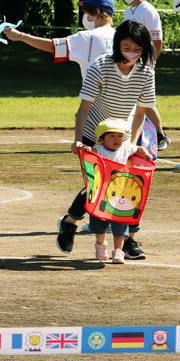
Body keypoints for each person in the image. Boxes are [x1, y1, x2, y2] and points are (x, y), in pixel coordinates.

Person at [56, 20, 157, 259]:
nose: (132, 54)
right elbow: (83, 109)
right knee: (97, 185)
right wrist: (78, 140)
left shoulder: (146, 72)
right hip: (95, 133)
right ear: (116, 44)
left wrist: (132, 144)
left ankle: (128, 242)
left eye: (138, 50)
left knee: (126, 185)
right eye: (127, 47)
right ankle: (70, 222)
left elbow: (141, 112)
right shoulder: (100, 66)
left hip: (124, 136)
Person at [72, 119, 154, 265]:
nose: (117, 139)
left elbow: (138, 149)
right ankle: (101, 245)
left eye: (120, 136)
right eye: (112, 136)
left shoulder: (126, 148)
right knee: (99, 221)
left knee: (120, 222)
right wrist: (86, 149)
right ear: (101, 139)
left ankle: (118, 251)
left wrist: (146, 153)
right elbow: (92, 152)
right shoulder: (100, 150)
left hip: (121, 192)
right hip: (102, 192)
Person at [3, 0, 115, 80]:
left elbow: (54, 47)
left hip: (95, 103)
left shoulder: (87, 37)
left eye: (86, 12)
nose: (85, 16)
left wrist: (22, 36)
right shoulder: (119, 36)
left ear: (97, 12)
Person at [121, 0, 170, 150]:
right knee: (132, 100)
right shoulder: (128, 11)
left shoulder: (149, 10)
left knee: (147, 102)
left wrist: (151, 61)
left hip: (145, 62)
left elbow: (157, 41)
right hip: (130, 60)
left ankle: (161, 135)